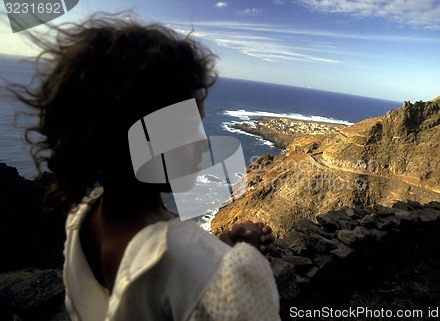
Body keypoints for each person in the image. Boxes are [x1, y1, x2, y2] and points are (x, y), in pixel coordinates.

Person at [16, 15, 281, 321]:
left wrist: (221, 249)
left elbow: (153, 284)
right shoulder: (202, 265)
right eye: (190, 128)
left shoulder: (82, 219)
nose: (203, 144)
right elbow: (178, 268)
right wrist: (242, 265)